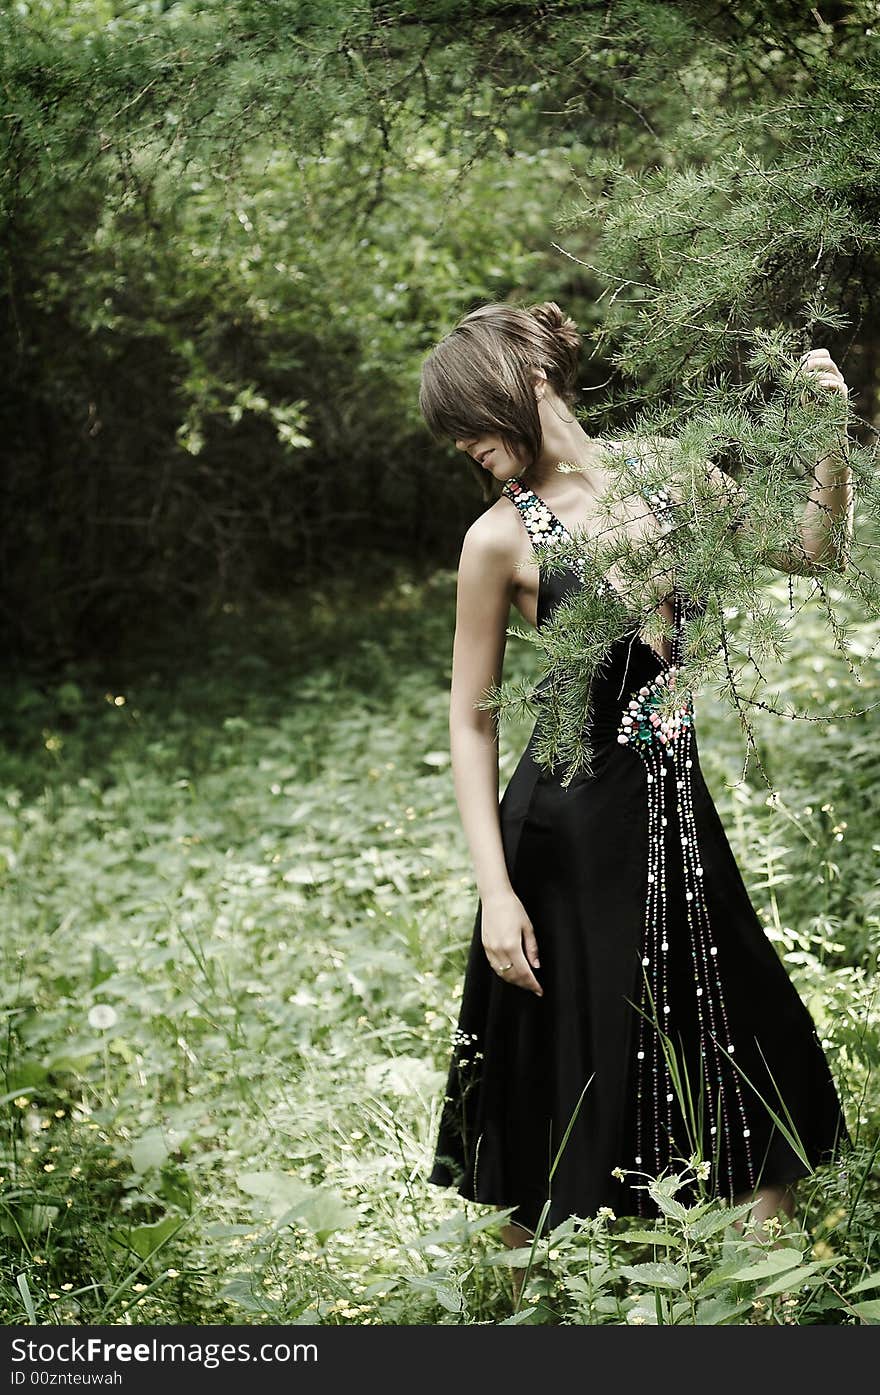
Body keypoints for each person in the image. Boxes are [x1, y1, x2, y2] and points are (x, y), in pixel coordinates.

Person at [418, 299, 853, 1300]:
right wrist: (495, 893)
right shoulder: (497, 539)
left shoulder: (672, 475)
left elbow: (805, 550)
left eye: (475, 424)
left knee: (741, 1034)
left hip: (674, 820)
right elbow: (471, 720)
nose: (470, 450)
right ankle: (531, 1317)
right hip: (562, 834)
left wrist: (829, 444)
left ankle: (762, 1316)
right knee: (551, 1068)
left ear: (528, 389)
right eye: (460, 440)